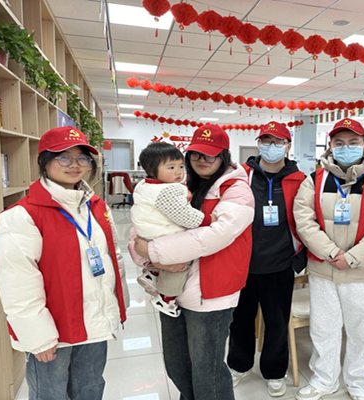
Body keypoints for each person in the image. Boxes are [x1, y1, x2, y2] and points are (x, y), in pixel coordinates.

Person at [0, 126, 129, 400]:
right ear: (44, 162)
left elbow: (113, 259)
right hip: (53, 332)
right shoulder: (23, 215)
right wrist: (38, 337)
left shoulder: (96, 206)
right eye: (64, 157)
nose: (74, 165)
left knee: (90, 389)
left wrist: (117, 308)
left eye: (82, 158)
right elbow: (17, 282)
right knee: (51, 394)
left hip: (95, 323)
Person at [131, 124, 254, 400]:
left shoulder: (237, 189)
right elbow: (142, 224)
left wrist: (154, 251)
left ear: (224, 156)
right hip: (172, 288)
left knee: (207, 371)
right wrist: (147, 253)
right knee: (177, 365)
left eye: (210, 155)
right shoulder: (177, 183)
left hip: (212, 292)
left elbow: (215, 235)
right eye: (196, 154)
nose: (201, 160)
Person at [293, 118, 364, 400]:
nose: (346, 147)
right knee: (323, 328)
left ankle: (359, 383)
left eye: (353, 142)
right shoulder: (315, 179)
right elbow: (304, 220)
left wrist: (352, 257)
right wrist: (331, 252)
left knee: (361, 330)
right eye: (339, 143)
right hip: (323, 267)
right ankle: (324, 380)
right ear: (330, 145)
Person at [227, 121, 306, 397]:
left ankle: (274, 372)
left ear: (288, 146)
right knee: (240, 320)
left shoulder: (299, 180)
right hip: (242, 263)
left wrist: (298, 259)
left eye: (278, 142)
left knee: (277, 322)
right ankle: (239, 365)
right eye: (266, 141)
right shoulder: (241, 175)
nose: (272, 147)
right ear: (258, 144)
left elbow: (307, 220)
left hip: (280, 263)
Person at [131, 142, 216, 317]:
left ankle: (153, 273)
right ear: (151, 170)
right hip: (163, 234)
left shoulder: (144, 185)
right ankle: (166, 298)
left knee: (164, 259)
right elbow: (185, 216)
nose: (178, 172)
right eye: (171, 167)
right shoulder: (167, 190)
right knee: (181, 263)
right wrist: (208, 219)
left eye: (180, 166)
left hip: (147, 232)